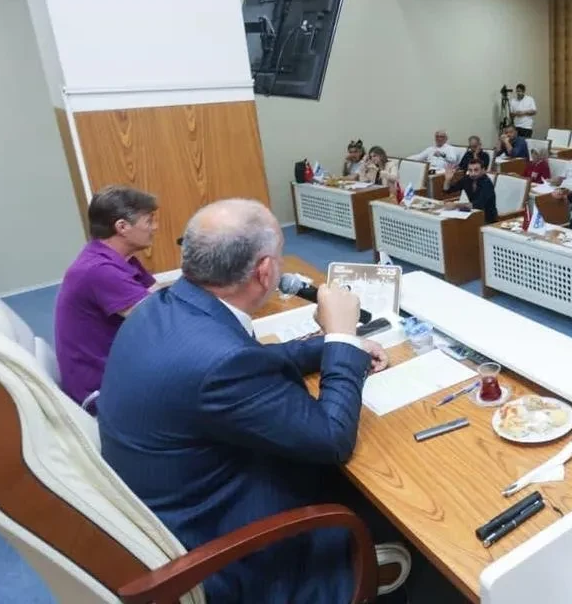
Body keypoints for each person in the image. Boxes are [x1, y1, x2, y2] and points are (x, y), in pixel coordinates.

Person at [99, 199, 403, 602]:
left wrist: (329, 348)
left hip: (182, 502)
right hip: (233, 552)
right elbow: (332, 439)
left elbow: (246, 361)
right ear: (265, 271)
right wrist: (343, 336)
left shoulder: (163, 307)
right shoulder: (220, 364)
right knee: (390, 498)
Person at [55, 186, 160, 408]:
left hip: (118, 371)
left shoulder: (114, 257)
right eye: (149, 221)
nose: (155, 227)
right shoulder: (99, 270)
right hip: (103, 393)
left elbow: (158, 295)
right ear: (122, 227)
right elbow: (161, 319)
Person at [442, 159, 497, 223]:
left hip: (487, 219)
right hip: (473, 214)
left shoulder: (487, 183)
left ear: (483, 170)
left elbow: (478, 204)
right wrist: (447, 179)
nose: (473, 173)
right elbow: (447, 190)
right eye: (470, 170)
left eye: (476, 170)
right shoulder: (467, 179)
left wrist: (455, 205)